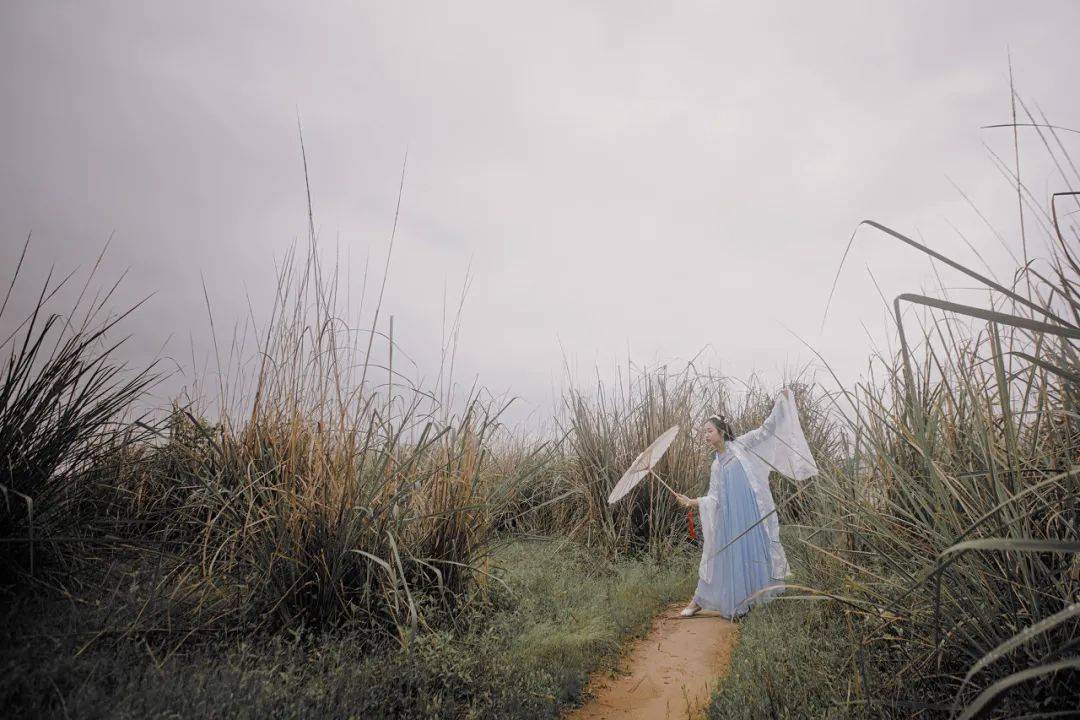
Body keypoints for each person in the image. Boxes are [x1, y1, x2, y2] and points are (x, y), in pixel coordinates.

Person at [674, 387, 818, 619]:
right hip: (730, 519)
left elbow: (766, 430)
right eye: (704, 433)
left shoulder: (742, 445)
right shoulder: (716, 465)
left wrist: (780, 404)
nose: (705, 436)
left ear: (721, 432)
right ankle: (700, 600)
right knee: (720, 555)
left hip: (751, 515)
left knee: (754, 553)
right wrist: (692, 502)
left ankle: (754, 599)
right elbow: (714, 497)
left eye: (709, 431)